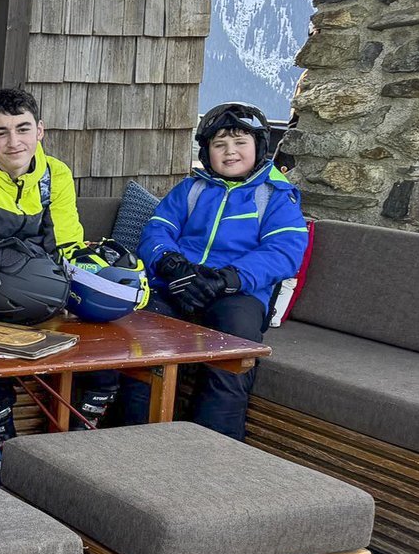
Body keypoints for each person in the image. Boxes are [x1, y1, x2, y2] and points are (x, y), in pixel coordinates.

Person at [0, 86, 116, 436]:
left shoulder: (55, 174)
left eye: (23, 129)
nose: (14, 142)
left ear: (39, 131)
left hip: (39, 284)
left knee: (103, 335)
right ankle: (1, 426)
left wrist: (83, 294)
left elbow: (67, 244)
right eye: (2, 132)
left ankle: (83, 422)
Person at [119, 102, 308, 439]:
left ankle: (213, 449)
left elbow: (284, 251)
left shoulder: (276, 196)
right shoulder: (191, 189)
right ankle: (131, 437)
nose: (230, 151)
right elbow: (157, 231)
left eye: (240, 143)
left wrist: (228, 278)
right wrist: (171, 263)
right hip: (178, 282)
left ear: (259, 147)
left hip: (237, 293)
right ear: (207, 152)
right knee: (141, 340)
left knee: (233, 355)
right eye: (220, 144)